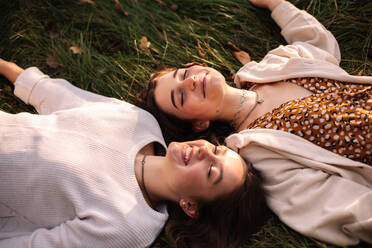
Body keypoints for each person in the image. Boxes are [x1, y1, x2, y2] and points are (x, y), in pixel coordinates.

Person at [139, 0, 372, 246]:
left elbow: (319, 45)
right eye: (182, 96)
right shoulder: (260, 153)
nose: (191, 83)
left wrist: (276, 5)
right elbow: (337, 207)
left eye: (183, 74)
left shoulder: (268, 68)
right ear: (199, 124)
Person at [0, 58, 266, 248]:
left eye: (211, 171)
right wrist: (9, 69)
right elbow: (58, 96)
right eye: (217, 149)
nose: (204, 152)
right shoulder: (140, 122)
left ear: (190, 206)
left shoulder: (129, 226)